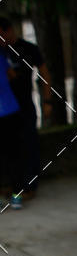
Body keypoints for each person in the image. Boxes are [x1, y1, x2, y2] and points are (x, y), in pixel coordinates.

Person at [0, 16, 51, 196]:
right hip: (6, 109)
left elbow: (44, 74)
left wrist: (47, 101)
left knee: (29, 143)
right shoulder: (1, 52)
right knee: (9, 147)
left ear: (8, 30)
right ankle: (11, 184)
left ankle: (30, 185)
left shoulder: (28, 49)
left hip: (25, 104)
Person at [0, 45, 24, 209]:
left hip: (7, 111)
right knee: (14, 154)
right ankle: (17, 195)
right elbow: (12, 76)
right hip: (10, 109)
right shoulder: (1, 57)